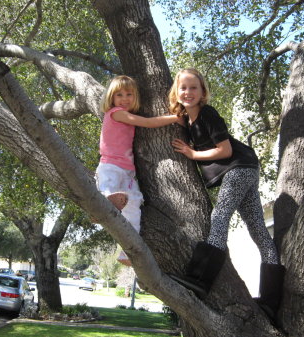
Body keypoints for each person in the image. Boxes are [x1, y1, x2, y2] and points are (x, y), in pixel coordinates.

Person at [169, 68, 285, 322]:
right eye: (183, 88)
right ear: (176, 92)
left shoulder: (208, 113)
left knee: (220, 217)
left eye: (193, 88)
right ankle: (271, 302)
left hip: (239, 168)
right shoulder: (187, 120)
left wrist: (193, 154)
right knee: (259, 233)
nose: (187, 92)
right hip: (246, 169)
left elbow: (224, 149)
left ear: (203, 92)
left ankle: (199, 280)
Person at [96, 75, 180, 266]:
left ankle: (127, 252)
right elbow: (148, 123)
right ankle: (99, 208)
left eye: (129, 94)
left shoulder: (125, 116)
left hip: (128, 170)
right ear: (111, 98)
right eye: (119, 94)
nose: (124, 98)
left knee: (133, 205)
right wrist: (176, 117)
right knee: (107, 191)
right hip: (110, 165)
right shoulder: (116, 113)